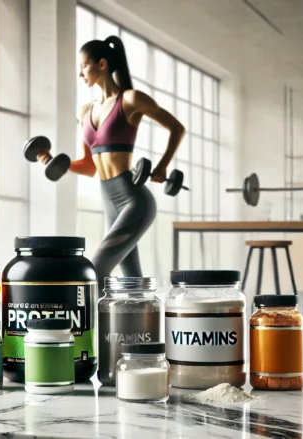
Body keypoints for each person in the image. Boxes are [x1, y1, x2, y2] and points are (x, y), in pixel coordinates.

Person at [38, 35, 186, 291]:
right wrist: (55, 162)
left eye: (84, 65)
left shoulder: (129, 100)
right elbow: (89, 166)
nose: (80, 73)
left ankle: (79, 329)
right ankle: (143, 329)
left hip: (134, 200)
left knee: (95, 271)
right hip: (108, 198)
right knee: (131, 281)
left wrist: (162, 166)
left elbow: (176, 127)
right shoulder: (85, 112)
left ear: (102, 64)